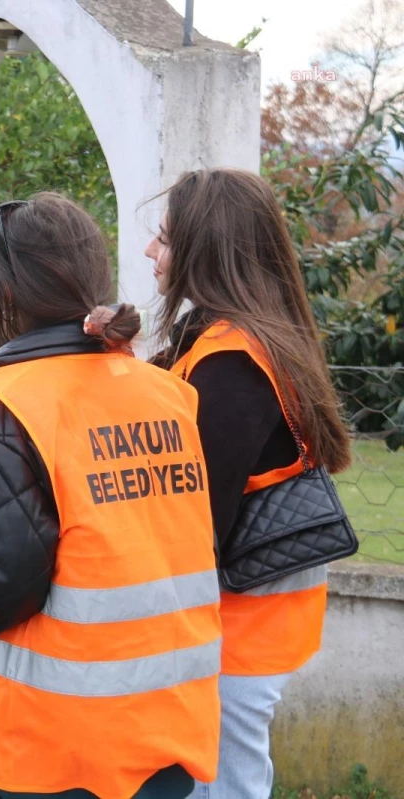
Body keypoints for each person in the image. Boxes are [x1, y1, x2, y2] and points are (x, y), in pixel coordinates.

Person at [0, 193, 223, 799]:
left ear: (5, 296)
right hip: (169, 731)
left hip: (59, 749)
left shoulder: (5, 405)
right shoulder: (166, 393)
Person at [145, 168, 352, 799]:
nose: (151, 252)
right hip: (249, 620)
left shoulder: (231, 360)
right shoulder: (232, 336)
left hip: (236, 627)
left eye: (163, 238)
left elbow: (195, 520)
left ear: (205, 249)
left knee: (227, 784)